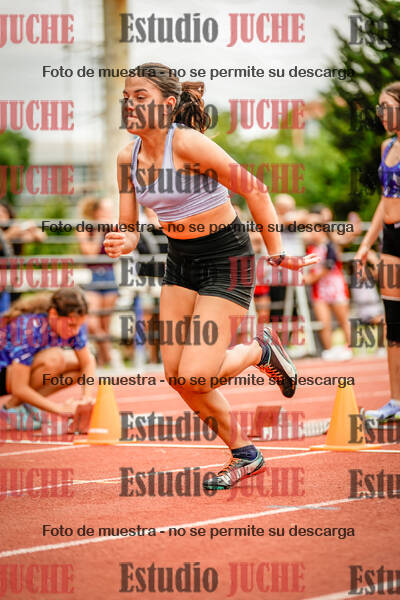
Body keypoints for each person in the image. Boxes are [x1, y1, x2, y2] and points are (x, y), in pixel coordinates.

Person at [104, 63, 319, 489]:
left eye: (141, 97)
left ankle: (260, 351)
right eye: (127, 97)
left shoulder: (187, 142)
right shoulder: (126, 157)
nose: (130, 104)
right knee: (176, 376)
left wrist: (276, 253)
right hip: (180, 261)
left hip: (226, 258)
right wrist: (121, 241)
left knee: (196, 376)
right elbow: (130, 226)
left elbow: (255, 188)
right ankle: (245, 454)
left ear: (167, 104)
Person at [355, 82, 400, 421]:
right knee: (393, 323)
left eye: (386, 107)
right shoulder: (388, 146)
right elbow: (384, 202)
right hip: (391, 239)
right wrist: (365, 244)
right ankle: (396, 401)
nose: (380, 114)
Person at [0, 287, 95, 430]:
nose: (75, 331)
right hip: (4, 373)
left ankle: (25, 404)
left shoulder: (74, 323)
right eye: (71, 325)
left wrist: (86, 400)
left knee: (78, 366)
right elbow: (19, 388)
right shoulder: (29, 328)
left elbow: (88, 362)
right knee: (54, 359)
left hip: (16, 373)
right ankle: (11, 408)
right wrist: (60, 409)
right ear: (53, 314)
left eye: (79, 325)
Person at [77, 196, 120, 367]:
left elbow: (117, 255)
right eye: (104, 210)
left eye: (110, 210)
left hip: (109, 275)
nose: (108, 214)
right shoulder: (84, 227)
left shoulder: (114, 228)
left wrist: (110, 230)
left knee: (105, 324)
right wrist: (99, 232)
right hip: (92, 276)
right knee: (92, 323)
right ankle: (110, 356)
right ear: (96, 212)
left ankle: (102, 363)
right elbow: (91, 254)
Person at [303, 214, 352, 360]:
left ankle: (349, 347)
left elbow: (329, 266)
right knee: (324, 322)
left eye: (313, 229)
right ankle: (329, 349)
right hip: (319, 289)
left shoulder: (330, 245)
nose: (311, 233)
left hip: (335, 286)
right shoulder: (310, 248)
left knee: (343, 319)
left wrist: (311, 279)